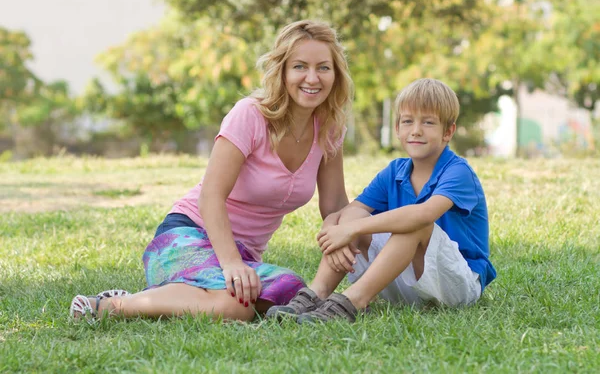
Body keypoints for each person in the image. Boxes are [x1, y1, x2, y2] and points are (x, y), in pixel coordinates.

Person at [69, 19, 354, 322]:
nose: (312, 77)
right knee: (237, 308)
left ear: (336, 74)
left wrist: (361, 239)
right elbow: (211, 196)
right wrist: (231, 264)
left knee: (293, 292)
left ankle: (183, 295)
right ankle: (113, 306)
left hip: (244, 256)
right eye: (300, 66)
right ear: (282, 71)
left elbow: (335, 204)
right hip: (188, 235)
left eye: (323, 67)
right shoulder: (250, 115)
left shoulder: (329, 127)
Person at [266, 78, 497, 323]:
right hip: (407, 282)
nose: (416, 130)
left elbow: (423, 215)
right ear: (397, 128)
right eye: (408, 121)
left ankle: (352, 302)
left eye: (428, 122)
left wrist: (349, 229)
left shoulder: (458, 172)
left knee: (413, 224)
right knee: (354, 216)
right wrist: (334, 224)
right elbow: (353, 211)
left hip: (456, 284)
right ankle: (317, 293)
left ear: (448, 132)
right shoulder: (395, 171)